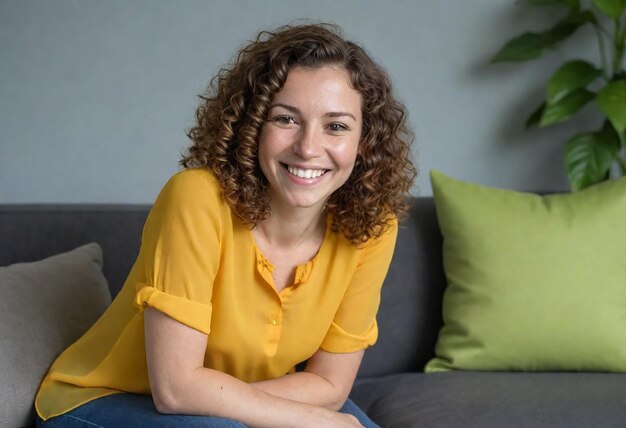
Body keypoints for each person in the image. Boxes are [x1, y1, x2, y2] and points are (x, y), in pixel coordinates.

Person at [35, 23, 416, 427]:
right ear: (251, 127)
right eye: (285, 119)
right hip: (107, 400)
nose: (307, 147)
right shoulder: (196, 198)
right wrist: (312, 422)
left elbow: (330, 385)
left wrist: (234, 402)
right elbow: (175, 388)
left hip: (218, 401)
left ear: (365, 142)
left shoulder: (372, 227)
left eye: (336, 126)